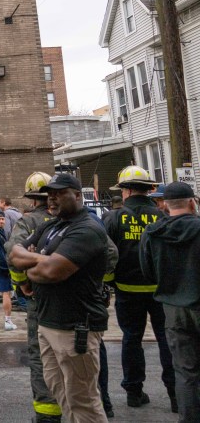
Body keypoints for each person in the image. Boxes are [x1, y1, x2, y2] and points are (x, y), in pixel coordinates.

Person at [10, 173, 110, 423]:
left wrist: (34, 266)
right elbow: (15, 254)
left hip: (75, 327)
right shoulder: (51, 226)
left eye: (59, 193)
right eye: (50, 194)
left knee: (82, 399)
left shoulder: (87, 228)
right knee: (59, 390)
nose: (52, 199)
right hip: (47, 322)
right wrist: (43, 260)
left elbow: (51, 272)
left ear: (77, 195)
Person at [104, 165, 176, 411]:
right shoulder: (163, 218)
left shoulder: (113, 218)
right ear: (147, 190)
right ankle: (176, 395)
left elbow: (107, 255)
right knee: (166, 339)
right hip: (161, 292)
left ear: (125, 191)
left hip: (127, 290)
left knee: (132, 339)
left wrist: (109, 283)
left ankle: (134, 392)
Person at [140, 181, 200, 422]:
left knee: (185, 372)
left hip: (174, 309)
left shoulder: (152, 233)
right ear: (192, 203)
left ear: (165, 205)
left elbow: (148, 272)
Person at [6, 171, 62, 423]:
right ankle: (99, 402)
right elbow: (109, 253)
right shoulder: (74, 219)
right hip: (76, 300)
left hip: (40, 299)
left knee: (41, 355)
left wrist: (22, 283)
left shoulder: (27, 223)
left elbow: (13, 255)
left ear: (31, 198)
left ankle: (47, 413)